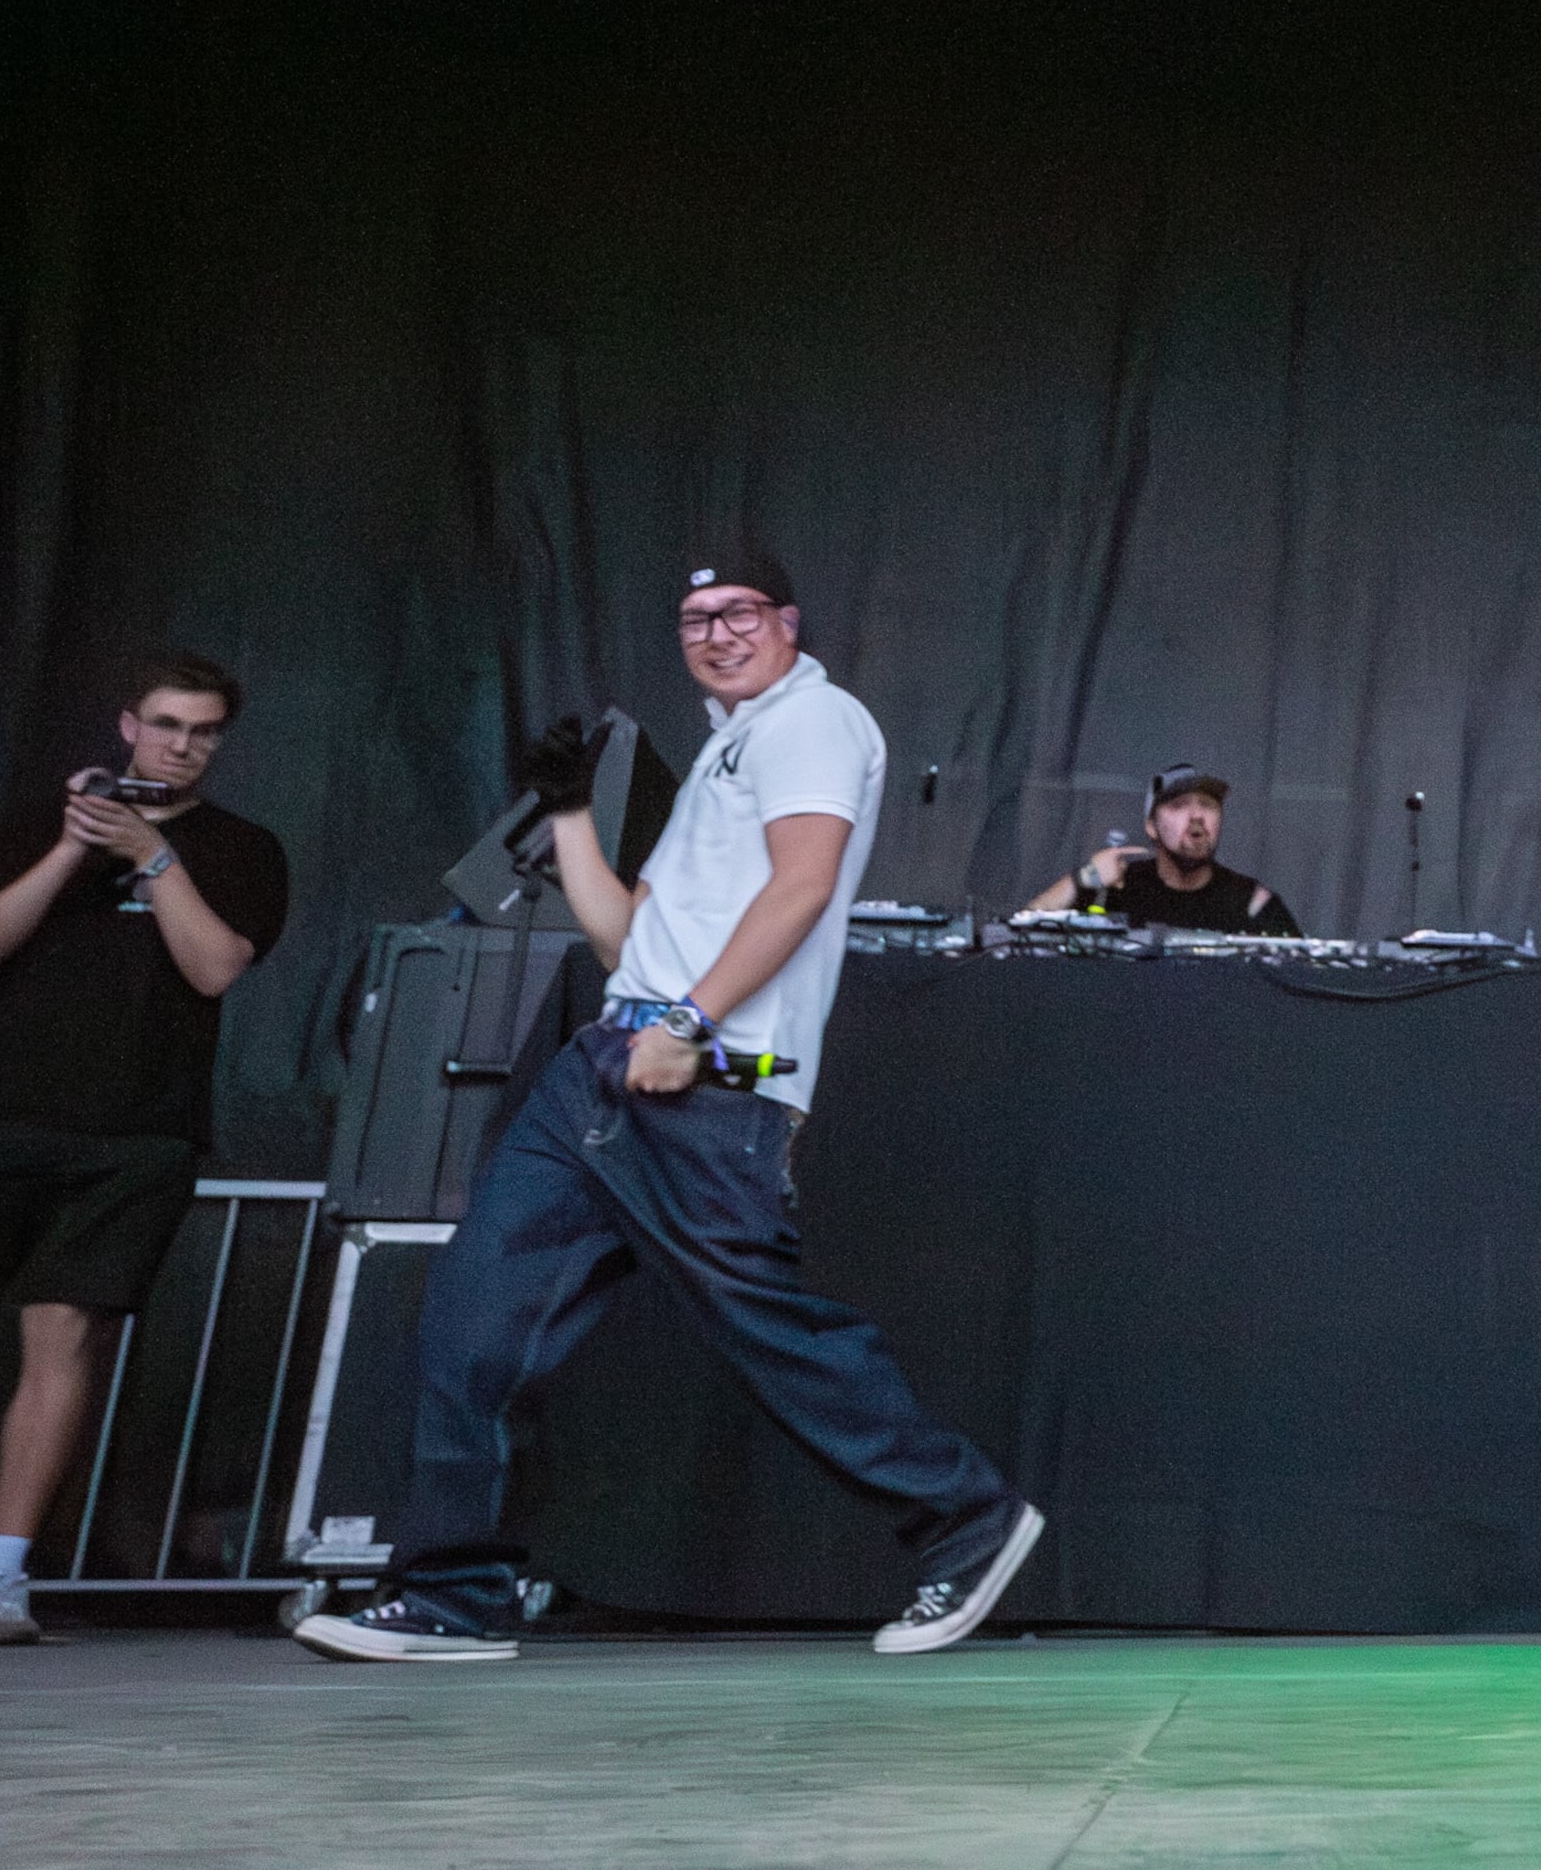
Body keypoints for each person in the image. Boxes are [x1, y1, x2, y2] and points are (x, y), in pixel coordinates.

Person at [292, 548, 1044, 1663]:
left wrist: (689, 1025)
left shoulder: (814, 722)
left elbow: (803, 883)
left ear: (788, 621)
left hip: (706, 1078)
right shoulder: (726, 748)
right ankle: (456, 1596)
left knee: (768, 1330)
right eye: (695, 618)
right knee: (475, 1314)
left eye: (739, 612)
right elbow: (620, 937)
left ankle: (969, 1522)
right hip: (608, 1065)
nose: (718, 633)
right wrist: (566, 812)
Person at [0, 653, 287, 1648]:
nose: (183, 746)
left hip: (136, 1135)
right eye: (167, 724)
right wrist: (73, 844)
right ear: (127, 723)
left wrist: (151, 853)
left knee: (63, 1345)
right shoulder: (39, 822)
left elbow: (216, 965)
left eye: (204, 731)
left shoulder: (242, 847)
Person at [1024, 764, 1302, 933]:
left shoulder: (1250, 901)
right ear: (1151, 826)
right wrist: (1081, 879)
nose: (1196, 816)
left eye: (1208, 805)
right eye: (1178, 805)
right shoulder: (1114, 889)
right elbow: (1013, 939)